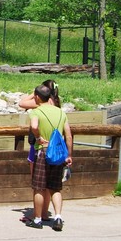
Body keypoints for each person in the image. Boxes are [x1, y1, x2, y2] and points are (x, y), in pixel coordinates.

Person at [26, 84, 74, 231]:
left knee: (39, 187)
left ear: (37, 97)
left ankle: (38, 219)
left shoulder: (36, 112)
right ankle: (58, 216)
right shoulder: (61, 113)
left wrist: (39, 137)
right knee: (55, 188)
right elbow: (69, 136)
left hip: (43, 151)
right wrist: (69, 155)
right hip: (59, 154)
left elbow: (34, 126)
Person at [18, 80, 60, 222]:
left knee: (38, 183)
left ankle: (38, 214)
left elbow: (22, 103)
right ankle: (44, 212)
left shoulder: (41, 105)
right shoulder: (55, 103)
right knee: (50, 184)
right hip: (54, 147)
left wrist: (34, 92)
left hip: (39, 146)